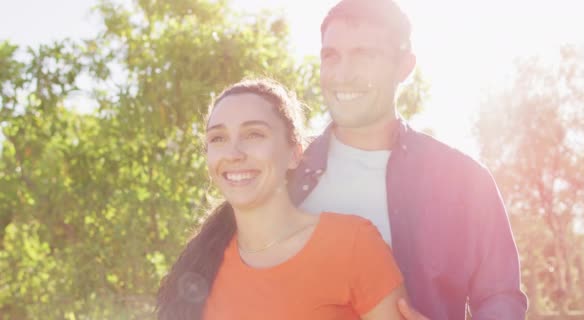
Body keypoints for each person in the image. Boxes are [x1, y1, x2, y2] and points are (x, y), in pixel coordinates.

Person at [288, 0, 528, 318]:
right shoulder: (285, 174)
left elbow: (500, 298)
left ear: (404, 66)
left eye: (364, 55)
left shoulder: (465, 182)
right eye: (331, 56)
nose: (343, 75)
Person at [156, 78, 422, 320]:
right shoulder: (199, 265)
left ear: (295, 153)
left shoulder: (353, 243)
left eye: (254, 134)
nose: (233, 153)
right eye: (218, 138)